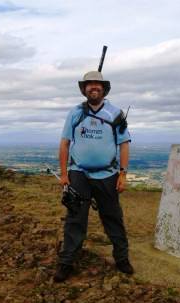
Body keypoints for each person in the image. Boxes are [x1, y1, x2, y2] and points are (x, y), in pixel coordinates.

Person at [54, 70, 134, 282]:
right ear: (84, 89)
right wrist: (64, 174)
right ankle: (67, 262)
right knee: (75, 219)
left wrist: (123, 174)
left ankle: (122, 258)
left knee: (113, 217)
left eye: (97, 84)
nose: (93, 87)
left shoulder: (115, 113)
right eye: (89, 85)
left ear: (104, 88)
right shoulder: (75, 113)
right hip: (78, 173)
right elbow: (64, 144)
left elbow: (124, 145)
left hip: (107, 175)